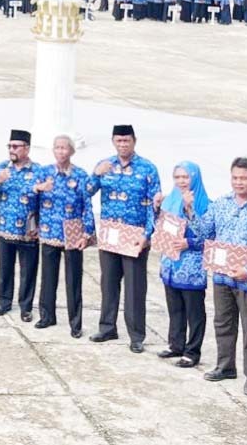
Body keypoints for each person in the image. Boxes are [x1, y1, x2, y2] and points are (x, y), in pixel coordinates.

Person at [191, 157, 247, 397]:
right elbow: (203, 234)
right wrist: (191, 211)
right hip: (221, 277)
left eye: (243, 178)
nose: (238, 182)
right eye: (235, 177)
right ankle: (225, 365)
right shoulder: (221, 204)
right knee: (223, 323)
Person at [88, 124, 161, 352]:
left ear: (134, 141)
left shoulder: (147, 169)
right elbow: (84, 192)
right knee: (108, 283)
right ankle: (107, 327)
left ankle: (136, 335)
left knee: (134, 288)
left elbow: (154, 206)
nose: (123, 145)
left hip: (134, 236)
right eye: (118, 141)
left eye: (126, 141)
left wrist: (148, 235)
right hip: (110, 235)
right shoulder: (105, 165)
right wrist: (96, 174)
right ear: (113, 142)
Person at [33, 135, 95, 338]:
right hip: (50, 231)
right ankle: (47, 315)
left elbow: (87, 206)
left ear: (71, 151)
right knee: (48, 278)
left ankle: (75, 323)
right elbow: (27, 196)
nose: (60, 151)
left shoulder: (80, 175)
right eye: (57, 148)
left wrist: (87, 233)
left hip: (72, 232)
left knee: (73, 280)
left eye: (64, 148)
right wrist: (38, 189)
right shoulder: (44, 172)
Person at [0, 129, 41, 321]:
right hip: (5, 229)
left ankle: (26, 307)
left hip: (28, 231)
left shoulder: (38, 171)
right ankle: (4, 302)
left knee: (28, 270)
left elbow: (45, 200)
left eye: (16, 146)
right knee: (5, 269)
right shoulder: (2, 168)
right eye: (10, 146)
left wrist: (41, 225)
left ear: (27, 148)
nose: (12, 150)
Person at [155, 161, 210, 366]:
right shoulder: (170, 200)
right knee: (175, 307)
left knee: (194, 311)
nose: (181, 181)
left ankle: (192, 351)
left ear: (194, 178)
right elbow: (160, 228)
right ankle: (175, 344)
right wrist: (156, 208)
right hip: (170, 263)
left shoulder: (206, 204)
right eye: (177, 177)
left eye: (185, 177)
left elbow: (210, 237)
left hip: (191, 267)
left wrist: (189, 241)